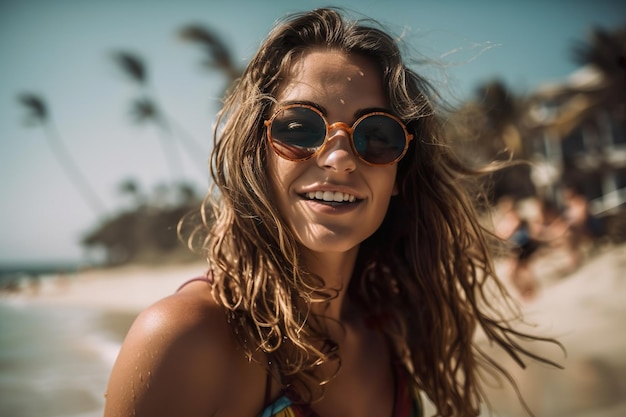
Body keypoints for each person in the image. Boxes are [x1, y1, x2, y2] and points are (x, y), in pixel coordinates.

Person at [103, 8, 562, 417]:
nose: (338, 157)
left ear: (400, 172)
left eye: (377, 135)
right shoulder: (187, 340)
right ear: (257, 154)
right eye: (301, 127)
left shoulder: (394, 332)